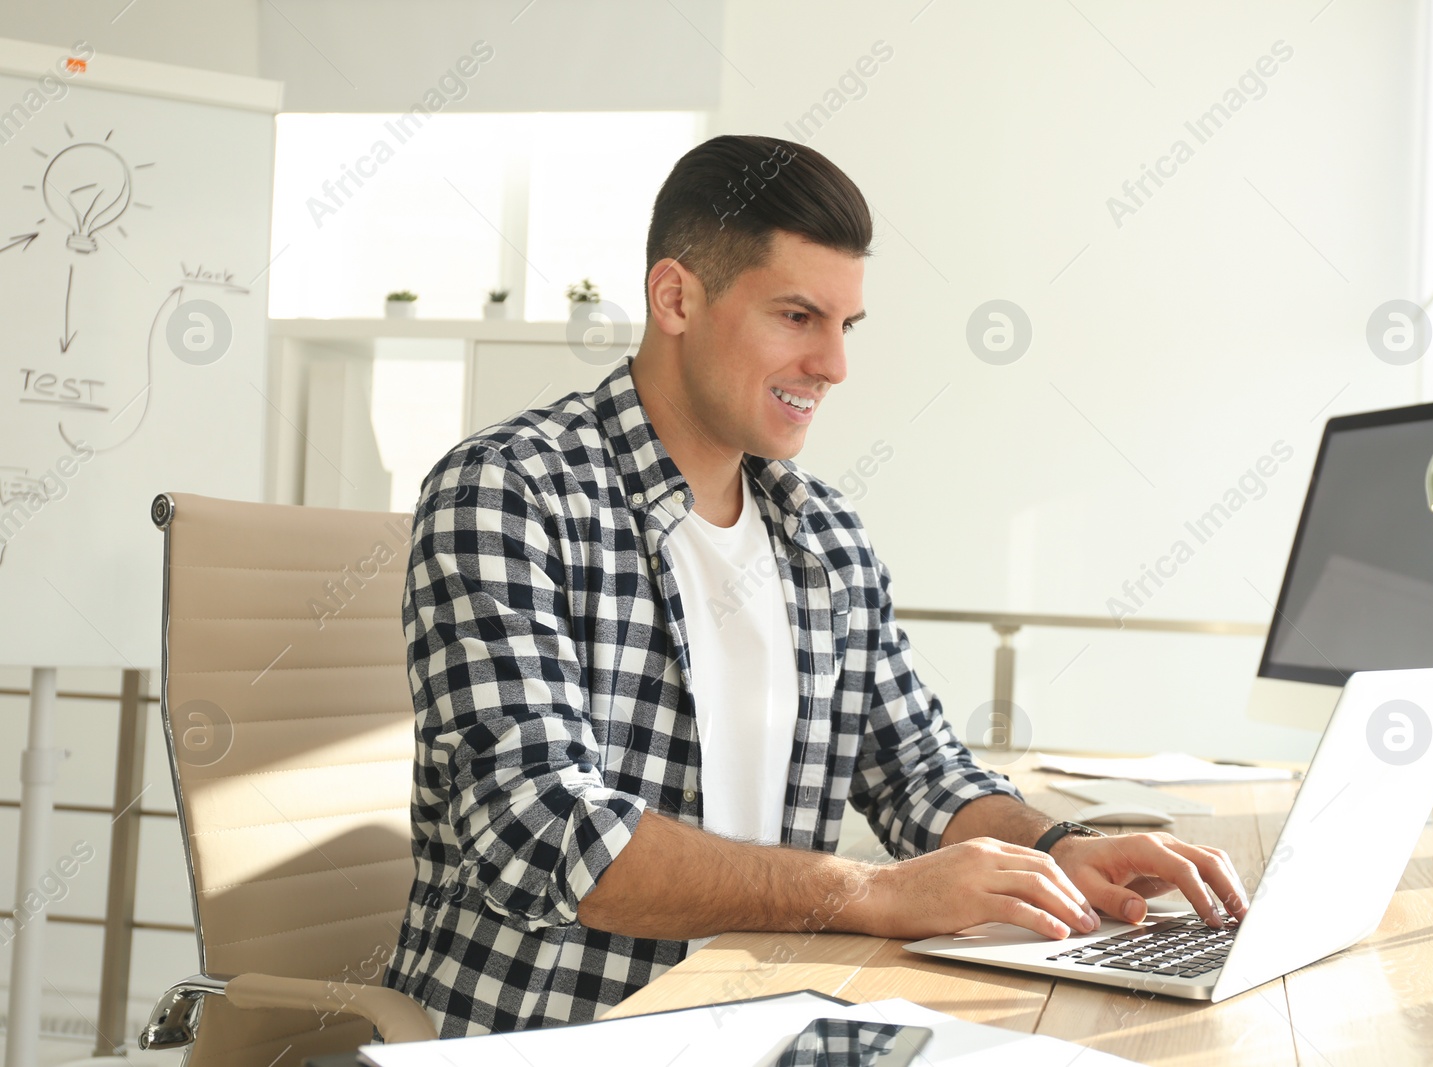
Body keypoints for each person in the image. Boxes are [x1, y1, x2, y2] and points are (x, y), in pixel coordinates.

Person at [385, 134, 1248, 1036]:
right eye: (797, 317)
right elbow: (544, 833)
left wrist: (1063, 849)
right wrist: (872, 892)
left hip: (765, 1019)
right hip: (555, 1033)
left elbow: (916, 769)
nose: (834, 365)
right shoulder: (509, 492)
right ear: (675, 297)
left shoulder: (822, 533)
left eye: (846, 326)